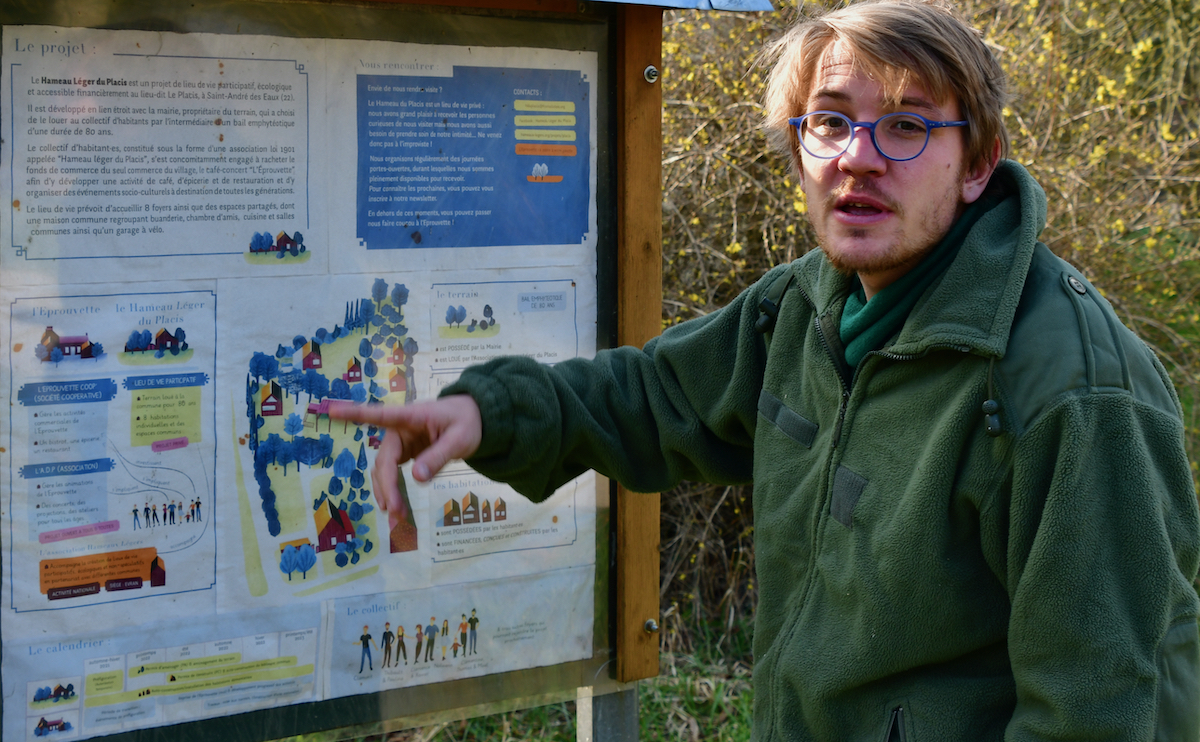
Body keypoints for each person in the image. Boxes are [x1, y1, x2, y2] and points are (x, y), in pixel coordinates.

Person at [330, 1, 1200, 738]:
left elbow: (1096, 706)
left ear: (977, 162)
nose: (857, 156)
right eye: (830, 121)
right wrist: (486, 413)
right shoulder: (807, 305)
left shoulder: (1071, 393)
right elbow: (656, 396)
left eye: (905, 124)